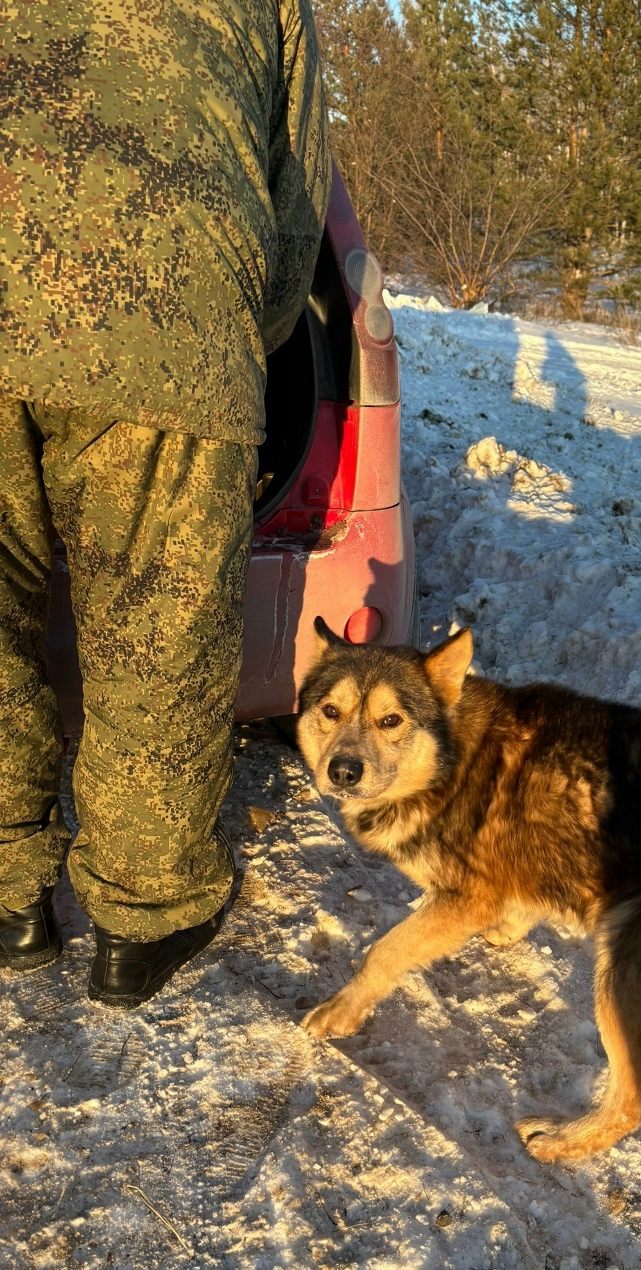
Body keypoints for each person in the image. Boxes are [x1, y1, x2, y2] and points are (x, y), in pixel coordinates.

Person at [0, 2, 330, 1006]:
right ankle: (143, 921)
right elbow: (299, 191)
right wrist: (231, 339)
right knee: (161, 631)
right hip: (171, 299)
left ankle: (9, 896)